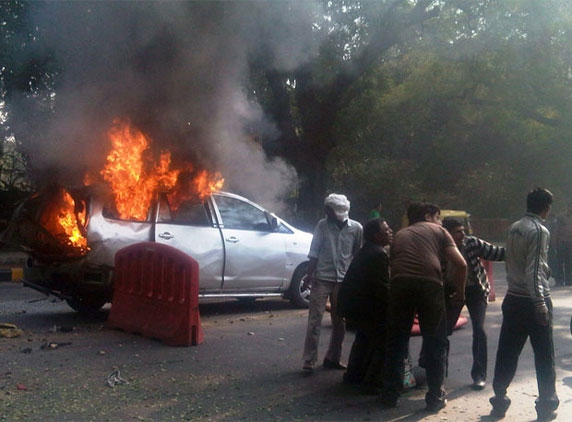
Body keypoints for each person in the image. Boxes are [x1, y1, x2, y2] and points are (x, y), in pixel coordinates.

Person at [380, 202, 467, 412]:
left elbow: (392, 266)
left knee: (397, 342)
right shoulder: (439, 230)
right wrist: (460, 293)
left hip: (400, 285)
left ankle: (390, 395)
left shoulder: (400, 234)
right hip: (430, 285)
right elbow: (461, 264)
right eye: (437, 217)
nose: (439, 221)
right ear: (429, 216)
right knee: (435, 341)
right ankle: (435, 397)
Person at [489, 188, 559, 420]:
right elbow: (535, 269)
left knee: (507, 351)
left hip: (513, 298)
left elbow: (510, 259)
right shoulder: (540, 230)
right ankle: (547, 402)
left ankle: (499, 397)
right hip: (532, 300)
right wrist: (540, 303)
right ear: (546, 208)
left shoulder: (515, 227)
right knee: (544, 354)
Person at [441, 218, 505, 390]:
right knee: (442, 331)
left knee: (479, 330)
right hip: (452, 291)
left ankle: (479, 376)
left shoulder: (472, 243)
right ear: (447, 233)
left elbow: (497, 253)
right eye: (457, 231)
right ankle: (438, 374)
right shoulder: (439, 247)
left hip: (476, 289)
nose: (463, 234)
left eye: (463, 230)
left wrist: (518, 248)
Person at [302, 193, 363, 372]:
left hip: (343, 280)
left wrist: (356, 280)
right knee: (315, 320)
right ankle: (309, 359)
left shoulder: (356, 228)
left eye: (329, 210)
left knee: (340, 321)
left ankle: (333, 357)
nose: (326, 213)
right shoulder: (322, 225)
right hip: (322, 277)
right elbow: (314, 251)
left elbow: (357, 254)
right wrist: (309, 274)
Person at [337, 218, 393, 394]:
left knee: (363, 339)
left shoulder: (367, 250)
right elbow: (381, 288)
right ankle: (373, 382)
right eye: (387, 229)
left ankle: (353, 375)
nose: (390, 231)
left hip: (353, 306)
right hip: (365, 308)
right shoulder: (379, 254)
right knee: (382, 341)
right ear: (377, 235)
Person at [553, 201, 572, 286]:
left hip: (570, 242)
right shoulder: (561, 217)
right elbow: (556, 230)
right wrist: (554, 243)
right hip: (562, 242)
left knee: (569, 262)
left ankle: (569, 280)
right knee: (559, 262)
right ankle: (559, 280)